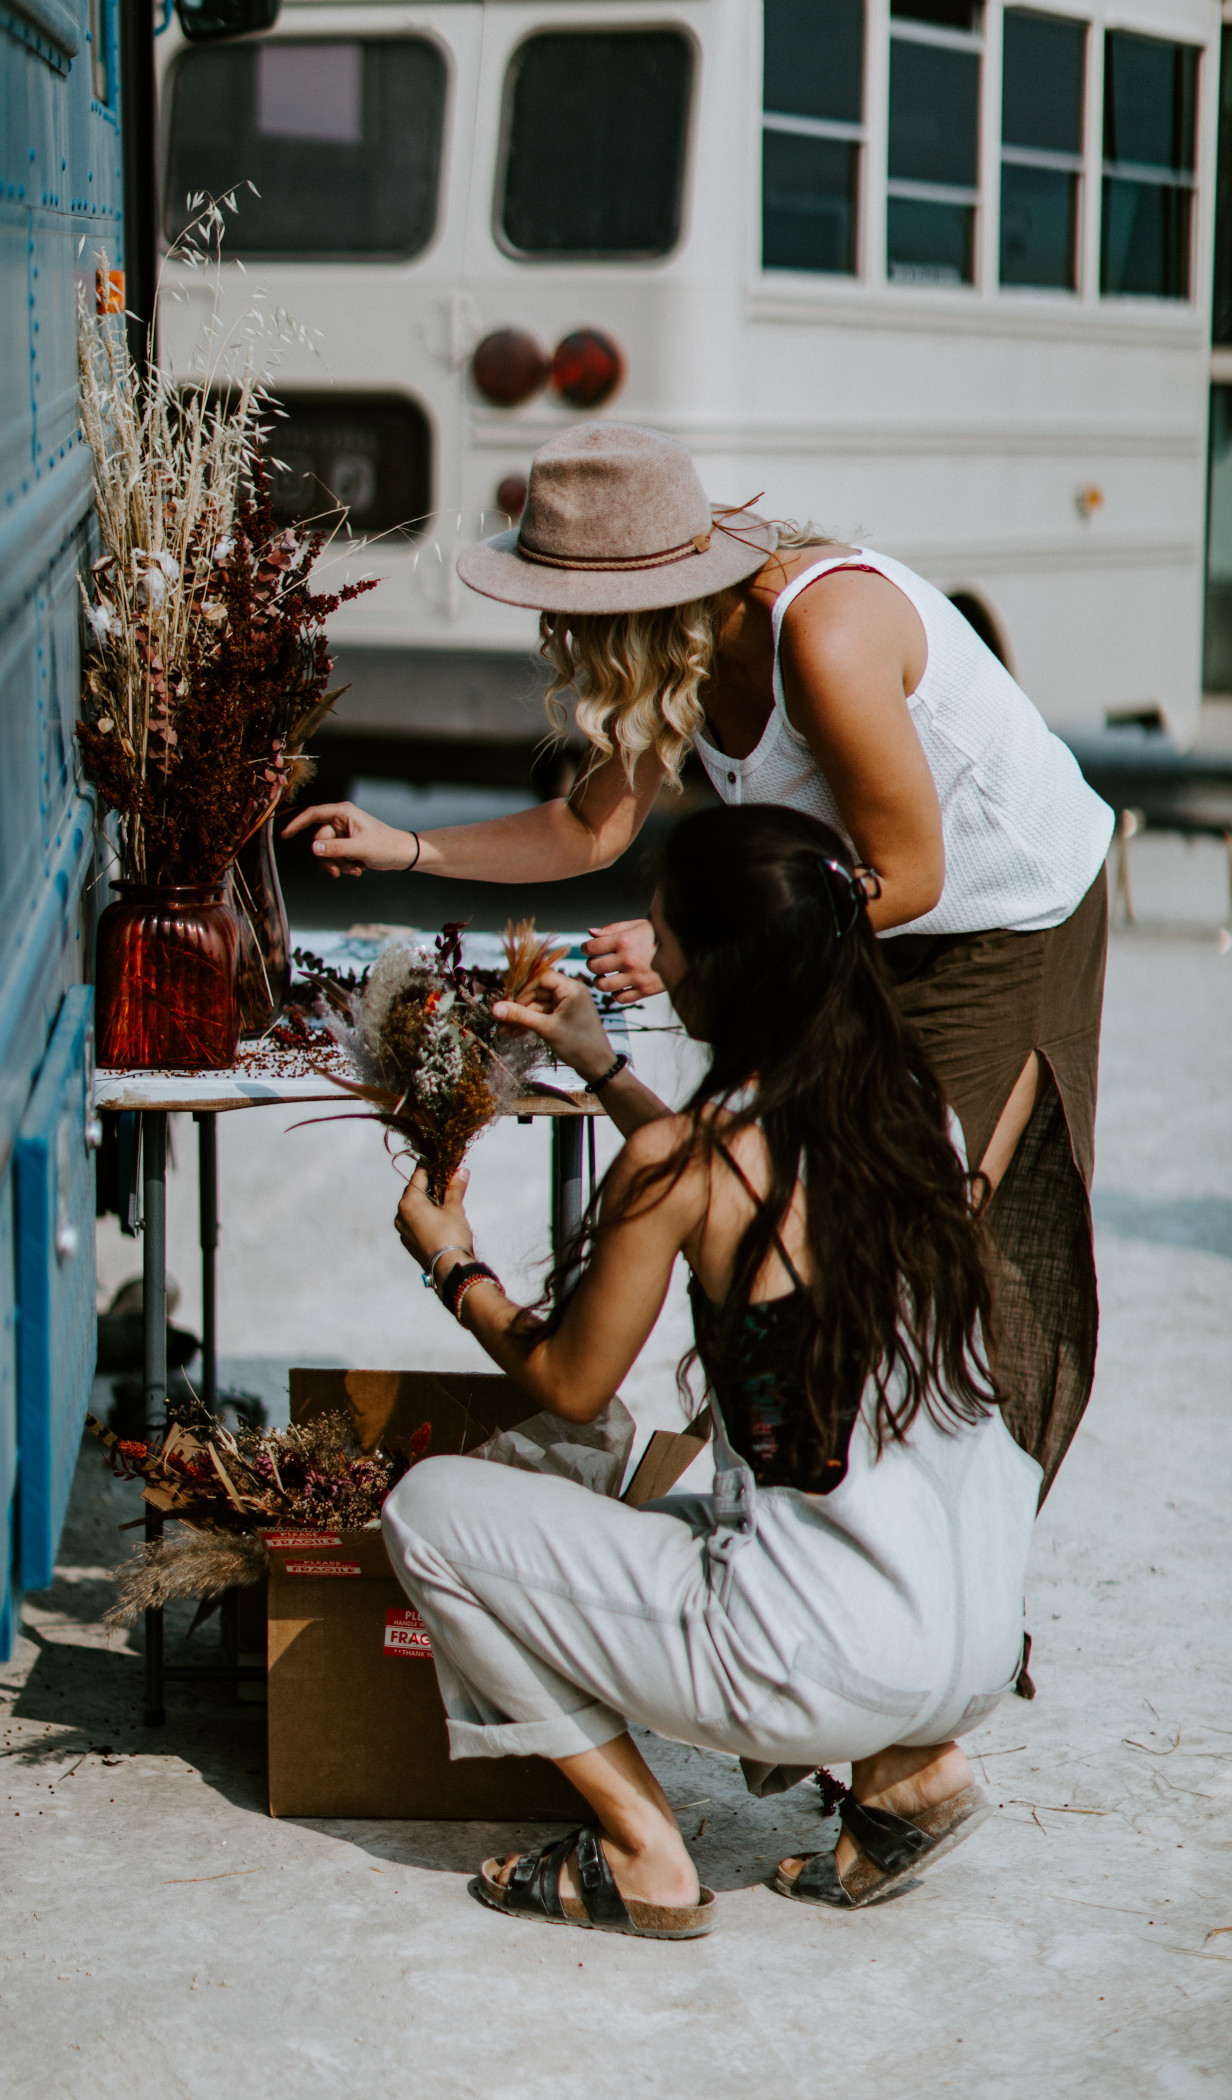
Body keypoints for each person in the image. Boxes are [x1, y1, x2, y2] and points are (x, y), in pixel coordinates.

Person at [289, 421, 1113, 1493]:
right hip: (844, 906)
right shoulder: (676, 648)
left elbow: (907, 875)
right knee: (791, 1195)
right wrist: (408, 847)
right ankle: (812, 1505)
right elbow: (590, 829)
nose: (553, 629)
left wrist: (702, 945)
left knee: (926, 1228)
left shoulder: (820, 635)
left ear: (635, 596)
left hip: (1000, 918)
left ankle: (955, 1559)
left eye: (566, 607)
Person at [381, 804, 1041, 1940]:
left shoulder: (679, 1163)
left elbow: (569, 1381)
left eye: (662, 933)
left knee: (432, 1514)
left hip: (818, 1655)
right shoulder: (904, 1106)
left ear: (723, 970)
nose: (650, 953)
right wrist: (601, 1066)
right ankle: (906, 1775)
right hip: (972, 1634)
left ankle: (641, 1852)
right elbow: (723, 1181)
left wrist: (453, 1266)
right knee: (685, 1497)